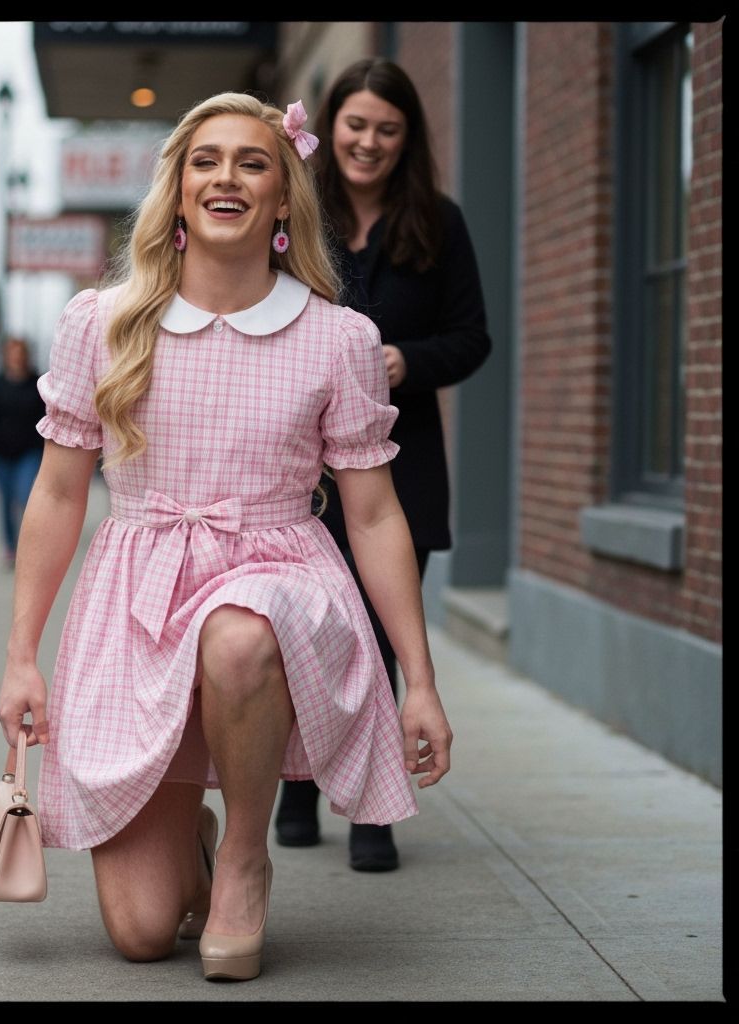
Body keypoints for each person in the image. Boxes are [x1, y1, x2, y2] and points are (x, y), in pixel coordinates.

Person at [0, 91, 453, 982]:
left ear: (285, 199)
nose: (227, 177)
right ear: (177, 189)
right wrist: (21, 656)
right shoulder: (104, 323)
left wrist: (422, 681)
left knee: (239, 630)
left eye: (253, 161)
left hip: (280, 575)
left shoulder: (338, 338)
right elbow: (55, 496)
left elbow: (373, 513)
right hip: (141, 602)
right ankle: (196, 845)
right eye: (206, 160)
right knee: (139, 932)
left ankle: (246, 855)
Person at [274, 59, 491, 872]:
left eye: (387, 129)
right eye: (356, 125)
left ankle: (372, 807)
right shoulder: (295, 210)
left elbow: (474, 338)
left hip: (405, 463)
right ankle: (296, 789)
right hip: (303, 465)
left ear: (408, 139)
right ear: (333, 127)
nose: (368, 142)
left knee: (377, 636)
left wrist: (404, 358)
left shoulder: (438, 221)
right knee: (303, 631)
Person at [0, 337, 47, 567]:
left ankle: (28, 547)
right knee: (5, 500)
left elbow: (46, 417)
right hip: (2, 452)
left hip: (29, 451)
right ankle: (9, 547)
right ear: (6, 356)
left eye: (20, 353)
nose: (16, 357)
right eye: (12, 353)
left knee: (25, 496)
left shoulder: (37, 383)